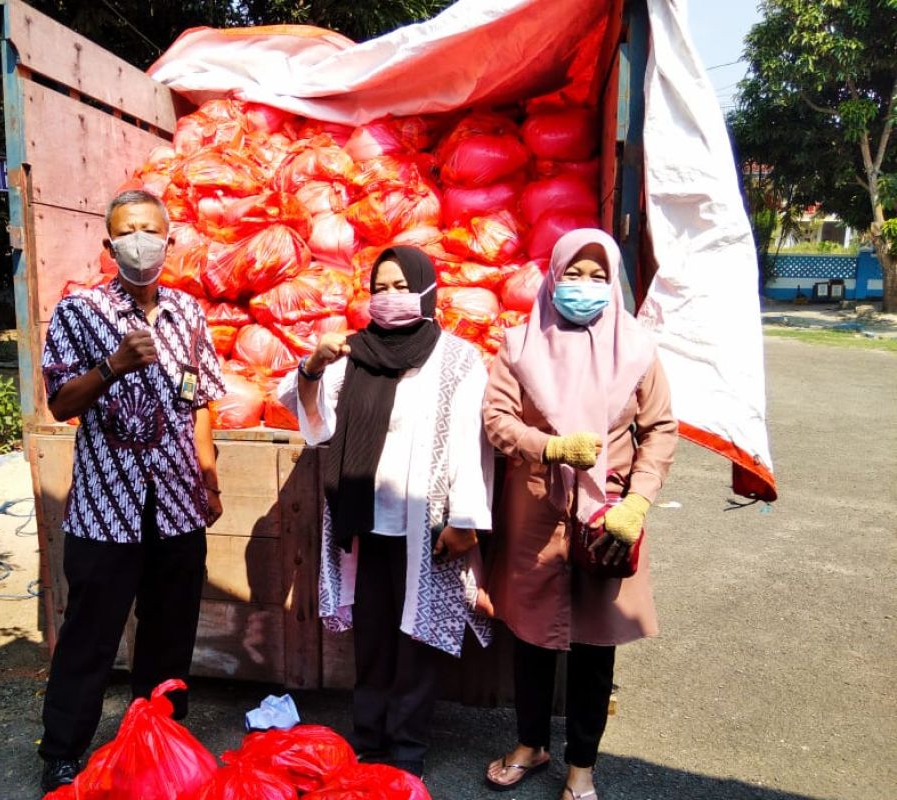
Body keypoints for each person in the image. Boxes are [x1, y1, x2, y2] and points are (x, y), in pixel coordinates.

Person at [278, 246, 494, 778]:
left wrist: (466, 520)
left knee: (416, 638)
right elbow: (306, 409)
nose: (389, 297)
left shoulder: (458, 359)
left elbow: (472, 444)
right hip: (364, 523)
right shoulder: (351, 353)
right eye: (379, 287)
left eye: (401, 285)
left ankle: (407, 749)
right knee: (372, 636)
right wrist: (313, 363)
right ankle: (369, 741)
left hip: (428, 526)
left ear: (425, 289)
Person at [37, 189, 226, 793]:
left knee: (170, 635)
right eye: (127, 231)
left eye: (150, 229)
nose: (139, 240)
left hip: (175, 504)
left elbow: (199, 396)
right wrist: (113, 365)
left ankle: (160, 744)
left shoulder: (189, 313)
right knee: (90, 638)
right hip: (104, 509)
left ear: (168, 242)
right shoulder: (80, 312)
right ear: (109, 245)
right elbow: (61, 400)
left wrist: (207, 469)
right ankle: (63, 751)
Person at [480, 228, 678, 800]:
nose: (584, 287)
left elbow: (659, 430)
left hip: (607, 517)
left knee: (596, 647)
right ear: (553, 276)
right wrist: (549, 446)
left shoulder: (639, 348)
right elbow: (496, 419)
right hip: (536, 512)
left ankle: (582, 766)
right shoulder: (519, 344)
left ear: (613, 283)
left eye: (598, 276)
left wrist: (638, 500)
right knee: (532, 635)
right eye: (573, 274)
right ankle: (530, 743)